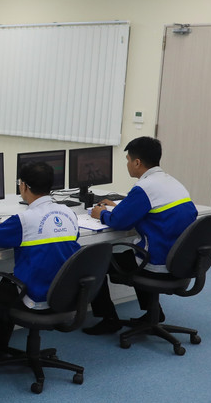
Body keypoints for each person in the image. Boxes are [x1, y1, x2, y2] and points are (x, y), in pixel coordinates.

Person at [0, 161, 80, 362]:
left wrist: (0, 227)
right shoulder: (69, 214)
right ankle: (1, 344)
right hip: (62, 294)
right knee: (8, 282)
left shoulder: (24, 219)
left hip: (35, 297)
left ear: (24, 186)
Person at [82, 137, 197, 335]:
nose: (127, 164)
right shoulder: (172, 183)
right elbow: (150, 209)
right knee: (131, 254)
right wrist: (120, 207)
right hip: (180, 260)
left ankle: (109, 319)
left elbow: (119, 222)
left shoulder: (144, 188)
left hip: (157, 263)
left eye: (128, 160)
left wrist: (101, 213)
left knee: (95, 261)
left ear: (137, 162)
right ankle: (154, 313)